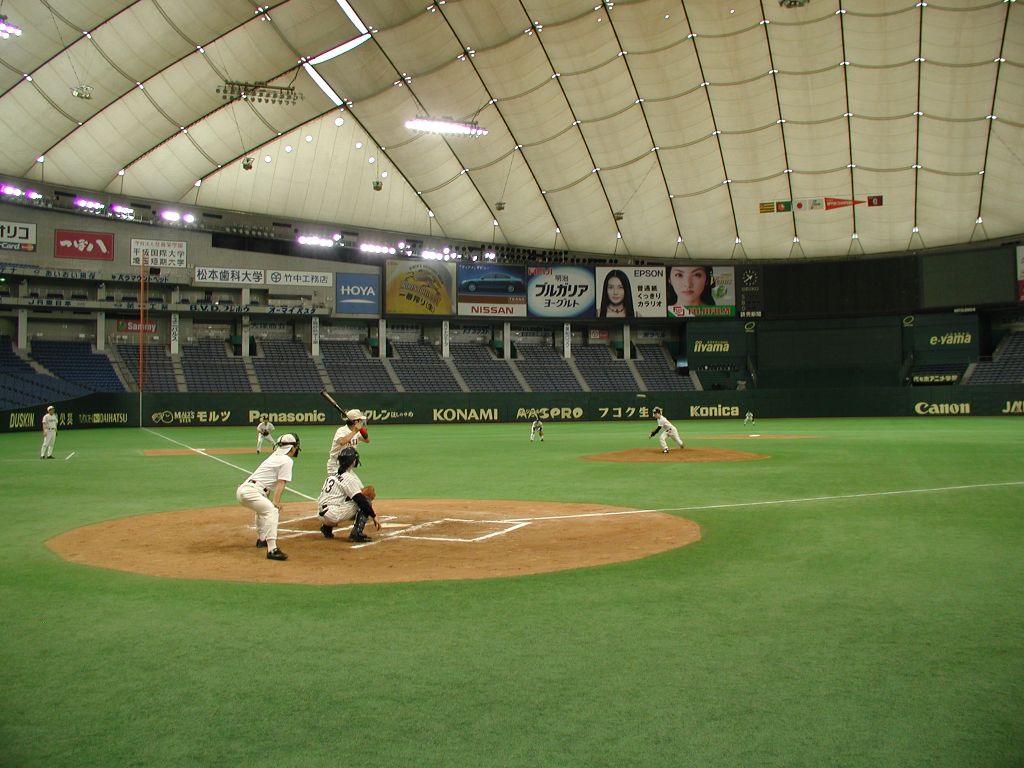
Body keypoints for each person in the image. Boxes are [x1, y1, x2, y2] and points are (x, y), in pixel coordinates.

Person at [235, 433, 301, 561]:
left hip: (244, 490)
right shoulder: (287, 460)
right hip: (252, 491)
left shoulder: (274, 456)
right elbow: (281, 482)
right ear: (292, 448)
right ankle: (272, 550)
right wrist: (276, 502)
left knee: (262, 510)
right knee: (272, 511)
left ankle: (261, 540)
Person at [317, 447, 381, 543]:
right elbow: (361, 500)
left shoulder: (332, 475)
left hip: (320, 514)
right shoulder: (348, 478)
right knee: (365, 500)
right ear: (352, 461)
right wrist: (374, 516)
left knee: (345, 499)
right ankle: (356, 534)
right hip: (332, 515)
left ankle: (326, 528)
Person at [326, 409, 369, 476]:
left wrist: (363, 432)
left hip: (347, 466)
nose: (361, 422)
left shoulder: (357, 432)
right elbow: (342, 442)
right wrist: (355, 431)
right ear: (356, 422)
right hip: (335, 466)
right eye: (360, 420)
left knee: (356, 482)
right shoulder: (341, 430)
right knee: (348, 482)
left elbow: (367, 441)